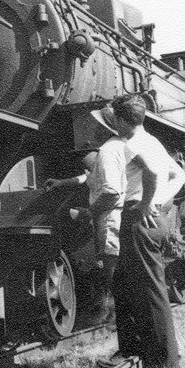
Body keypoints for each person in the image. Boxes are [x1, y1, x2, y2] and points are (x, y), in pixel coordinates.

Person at [97, 94, 185, 368]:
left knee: (150, 289)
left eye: (115, 119)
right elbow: (180, 176)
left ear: (124, 121)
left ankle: (165, 361)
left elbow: (149, 177)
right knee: (128, 285)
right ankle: (135, 349)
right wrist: (160, 202)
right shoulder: (153, 142)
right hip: (154, 218)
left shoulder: (127, 145)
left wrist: (148, 203)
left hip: (139, 217)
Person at [44, 106, 122, 323]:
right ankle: (113, 316)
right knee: (108, 265)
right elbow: (88, 178)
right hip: (104, 215)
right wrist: (63, 182)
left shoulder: (106, 153)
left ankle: (119, 317)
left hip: (109, 215)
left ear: (107, 129)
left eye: (99, 125)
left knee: (112, 267)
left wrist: (90, 211)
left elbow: (111, 192)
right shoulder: (105, 152)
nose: (94, 128)